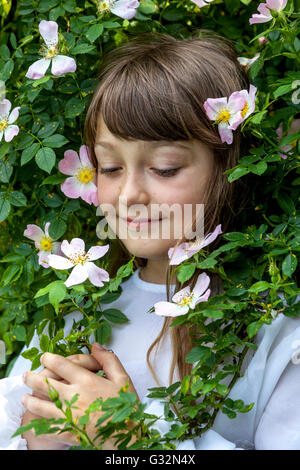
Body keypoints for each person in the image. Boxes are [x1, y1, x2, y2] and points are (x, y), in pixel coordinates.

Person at [0, 31, 300, 451]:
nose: (128, 196)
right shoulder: (78, 313)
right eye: (109, 167)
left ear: (229, 167)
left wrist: (131, 438)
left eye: (164, 168)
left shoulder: (275, 331)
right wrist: (38, 440)